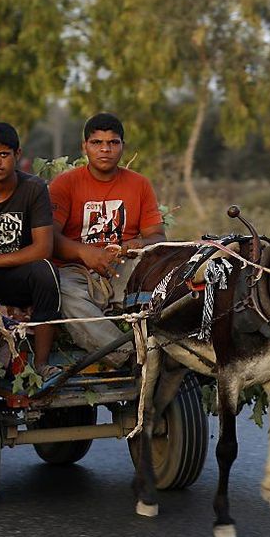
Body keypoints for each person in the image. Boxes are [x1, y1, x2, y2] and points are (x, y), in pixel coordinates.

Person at [49, 113, 167, 366]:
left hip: (122, 267)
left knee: (163, 280)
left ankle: (172, 345)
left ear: (122, 146)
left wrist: (139, 245)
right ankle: (132, 357)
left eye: (113, 143)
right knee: (61, 291)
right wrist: (84, 253)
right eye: (97, 143)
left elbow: (157, 235)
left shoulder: (139, 184)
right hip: (75, 270)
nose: (105, 149)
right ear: (85, 147)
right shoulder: (64, 184)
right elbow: (49, 236)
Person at [0, 122, 61, 378]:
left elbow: (43, 248)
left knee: (46, 272)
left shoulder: (33, 189)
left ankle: (41, 364)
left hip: (12, 274)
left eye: (3, 155)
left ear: (17, 155)